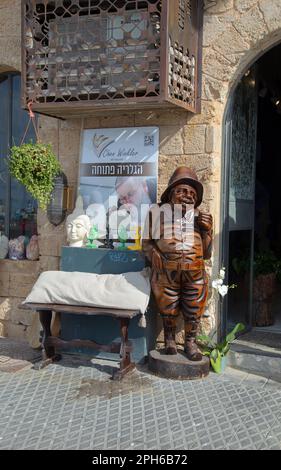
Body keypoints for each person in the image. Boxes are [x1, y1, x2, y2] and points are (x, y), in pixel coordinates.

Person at [142, 167, 213, 361]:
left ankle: (190, 343)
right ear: (171, 193)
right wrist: (153, 252)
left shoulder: (200, 216)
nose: (187, 196)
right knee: (168, 309)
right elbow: (146, 243)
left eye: (191, 193)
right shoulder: (157, 212)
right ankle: (169, 341)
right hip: (166, 272)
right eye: (181, 190)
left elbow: (207, 253)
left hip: (195, 272)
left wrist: (207, 231)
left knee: (193, 310)